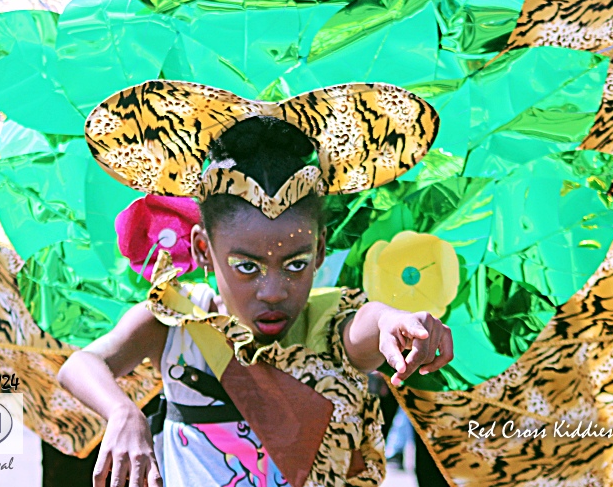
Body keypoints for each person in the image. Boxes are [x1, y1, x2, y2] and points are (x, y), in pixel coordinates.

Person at [59, 80, 453, 487]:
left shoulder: (326, 324)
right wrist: (123, 413)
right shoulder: (175, 321)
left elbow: (365, 325)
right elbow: (82, 364)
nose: (273, 291)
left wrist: (391, 319)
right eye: (247, 267)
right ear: (203, 251)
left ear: (320, 250)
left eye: (295, 264)